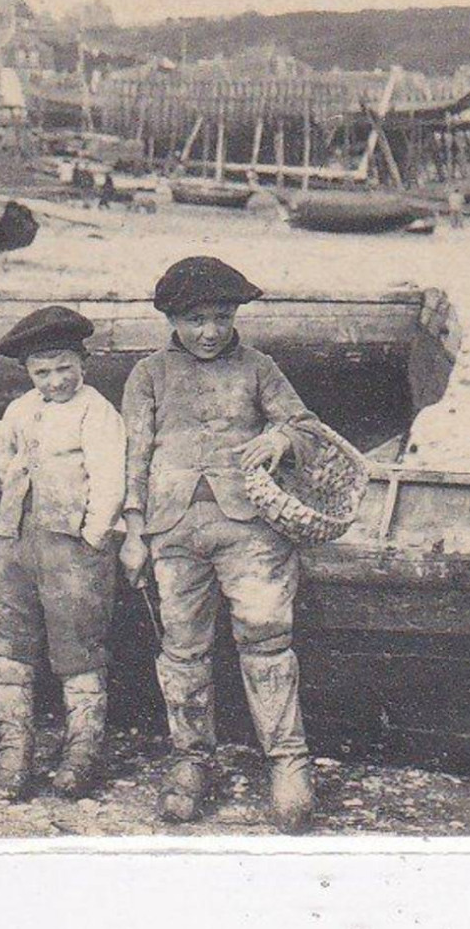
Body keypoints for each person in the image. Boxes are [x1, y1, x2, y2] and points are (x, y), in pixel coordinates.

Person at [119, 256, 324, 832]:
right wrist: (134, 531)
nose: (209, 331)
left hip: (252, 529)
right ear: (171, 319)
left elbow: (307, 427)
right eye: (194, 319)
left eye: (221, 316)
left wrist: (280, 437)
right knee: (182, 647)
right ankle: (191, 760)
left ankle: (288, 764)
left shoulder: (260, 367)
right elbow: (135, 456)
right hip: (172, 530)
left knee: (265, 635)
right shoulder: (148, 375)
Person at [0, 307, 126, 801]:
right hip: (17, 541)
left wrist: (93, 537)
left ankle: (81, 753)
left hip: (73, 549)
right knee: (11, 640)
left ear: (82, 362)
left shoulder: (97, 411)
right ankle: (14, 748)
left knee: (78, 644)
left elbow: (110, 478)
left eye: (64, 367)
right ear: (27, 373)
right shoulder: (20, 410)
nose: (55, 380)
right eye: (41, 371)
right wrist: (7, 527)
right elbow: (5, 459)